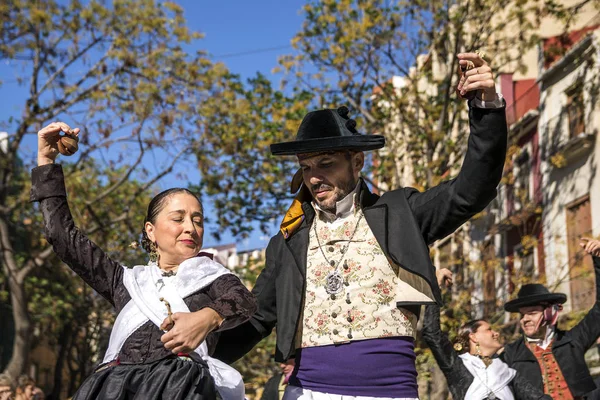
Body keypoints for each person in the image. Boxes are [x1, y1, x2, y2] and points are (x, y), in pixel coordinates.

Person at [213, 52, 508, 399]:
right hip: (307, 393)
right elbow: (258, 317)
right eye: (306, 168)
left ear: (357, 162)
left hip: (389, 393)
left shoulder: (399, 213)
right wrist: (189, 353)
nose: (315, 177)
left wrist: (486, 108)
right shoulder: (289, 240)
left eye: (326, 163)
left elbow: (471, 190)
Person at [32, 122, 257, 399]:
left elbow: (244, 301)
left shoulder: (213, 277)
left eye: (197, 220)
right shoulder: (125, 282)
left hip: (183, 388)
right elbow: (61, 236)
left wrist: (208, 317)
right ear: (151, 231)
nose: (190, 228)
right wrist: (46, 161)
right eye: (178, 219)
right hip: (117, 389)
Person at [422, 269, 551, 400]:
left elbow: (539, 398)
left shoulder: (507, 373)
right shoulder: (457, 365)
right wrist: (436, 285)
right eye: (489, 329)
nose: (496, 333)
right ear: (473, 336)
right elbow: (431, 333)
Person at [501, 238, 600, 399]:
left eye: (531, 313)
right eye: (522, 315)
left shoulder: (572, 341)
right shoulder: (510, 354)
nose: (524, 319)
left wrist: (599, 261)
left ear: (549, 313)